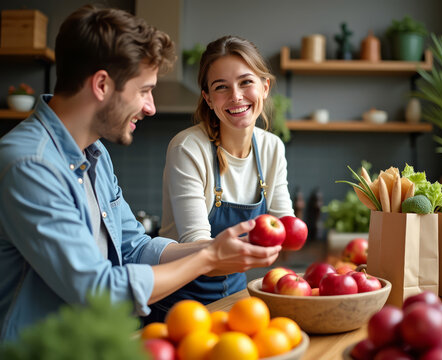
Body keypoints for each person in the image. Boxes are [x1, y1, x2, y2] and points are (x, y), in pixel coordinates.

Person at [0, 6, 281, 342]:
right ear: (102, 85)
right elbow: (98, 290)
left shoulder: (94, 152)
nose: (151, 107)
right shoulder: (31, 165)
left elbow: (134, 248)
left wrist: (216, 246)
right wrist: (207, 257)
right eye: (144, 90)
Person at [150, 35, 294, 320]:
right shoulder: (188, 148)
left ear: (265, 87)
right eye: (221, 87)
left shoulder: (271, 147)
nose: (236, 96)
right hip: (179, 305)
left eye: (246, 82)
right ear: (208, 98)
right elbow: (198, 250)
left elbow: (285, 226)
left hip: (236, 300)